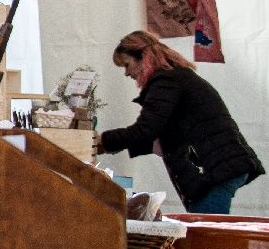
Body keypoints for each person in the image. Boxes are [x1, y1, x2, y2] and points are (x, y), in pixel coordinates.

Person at [97, 30, 262, 214]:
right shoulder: (176, 77)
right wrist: (111, 145)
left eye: (127, 65)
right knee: (204, 226)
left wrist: (103, 140)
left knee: (204, 229)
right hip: (219, 165)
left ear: (143, 57)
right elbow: (166, 137)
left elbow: (146, 130)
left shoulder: (166, 81)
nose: (127, 73)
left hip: (214, 170)